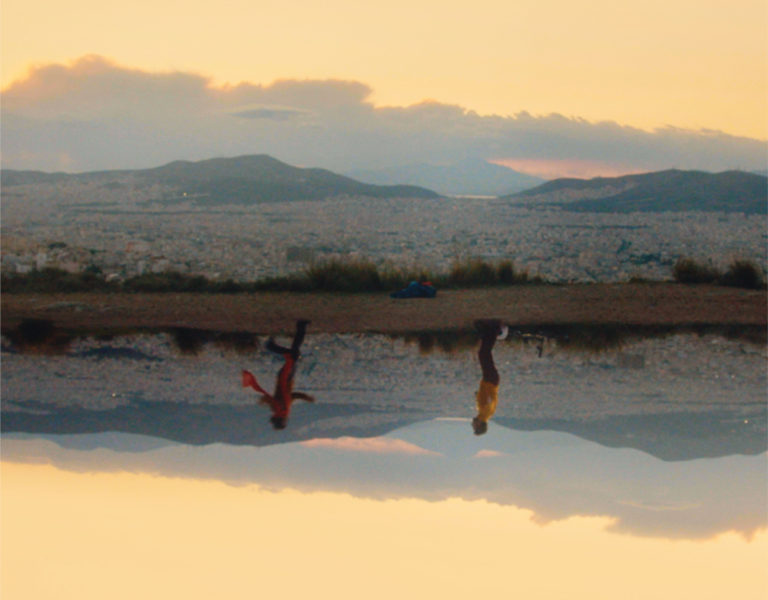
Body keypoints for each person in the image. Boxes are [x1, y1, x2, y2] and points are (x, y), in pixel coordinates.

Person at [242, 319, 314, 429]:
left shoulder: (280, 410)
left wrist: (265, 400)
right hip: (287, 378)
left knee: (293, 354)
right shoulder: (283, 410)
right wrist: (305, 397)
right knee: (294, 354)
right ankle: (298, 329)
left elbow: (275, 399)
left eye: (284, 423)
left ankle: (273, 345)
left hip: (285, 378)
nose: (286, 421)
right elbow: (291, 396)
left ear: (281, 421)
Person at [472, 319, 506, 435]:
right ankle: (494, 331)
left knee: (484, 354)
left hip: (488, 380)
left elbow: (485, 399)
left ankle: (486, 334)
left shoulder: (482, 413)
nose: (472, 425)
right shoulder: (486, 413)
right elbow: (491, 400)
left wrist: (479, 395)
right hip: (490, 380)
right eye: (474, 427)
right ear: (480, 425)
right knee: (484, 354)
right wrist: (485, 394)